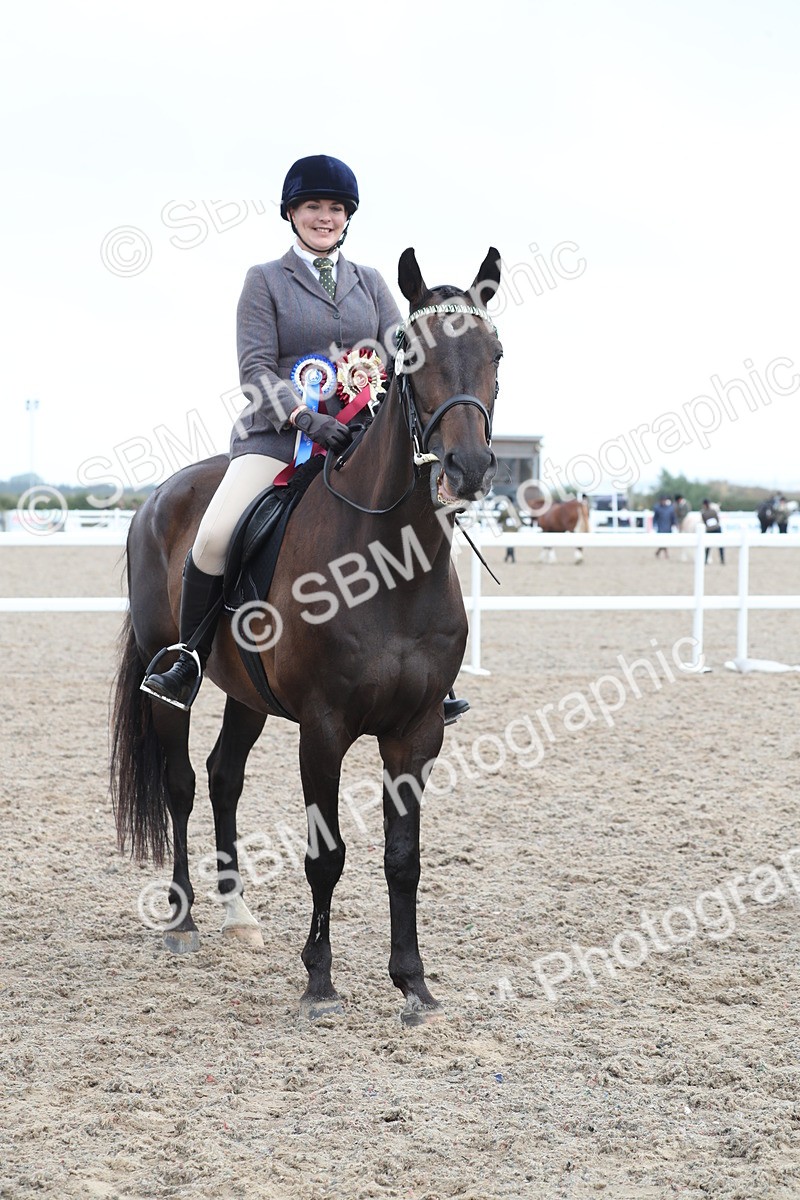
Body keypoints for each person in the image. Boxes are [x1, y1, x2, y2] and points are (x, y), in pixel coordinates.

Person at [141, 154, 470, 724]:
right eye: (313, 206)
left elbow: (401, 354)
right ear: (291, 213)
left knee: (423, 526)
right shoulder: (265, 280)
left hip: (360, 442)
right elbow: (255, 368)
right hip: (278, 440)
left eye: (335, 209)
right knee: (213, 536)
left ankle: (428, 672)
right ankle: (189, 655)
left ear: (347, 218)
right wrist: (301, 416)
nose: (325, 217)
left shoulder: (370, 282)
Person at [701, 498, 725, 564]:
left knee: (708, 546)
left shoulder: (703, 513)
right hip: (717, 528)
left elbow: (704, 522)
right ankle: (722, 559)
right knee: (720, 545)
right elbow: (717, 519)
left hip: (709, 530)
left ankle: (706, 560)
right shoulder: (713, 511)